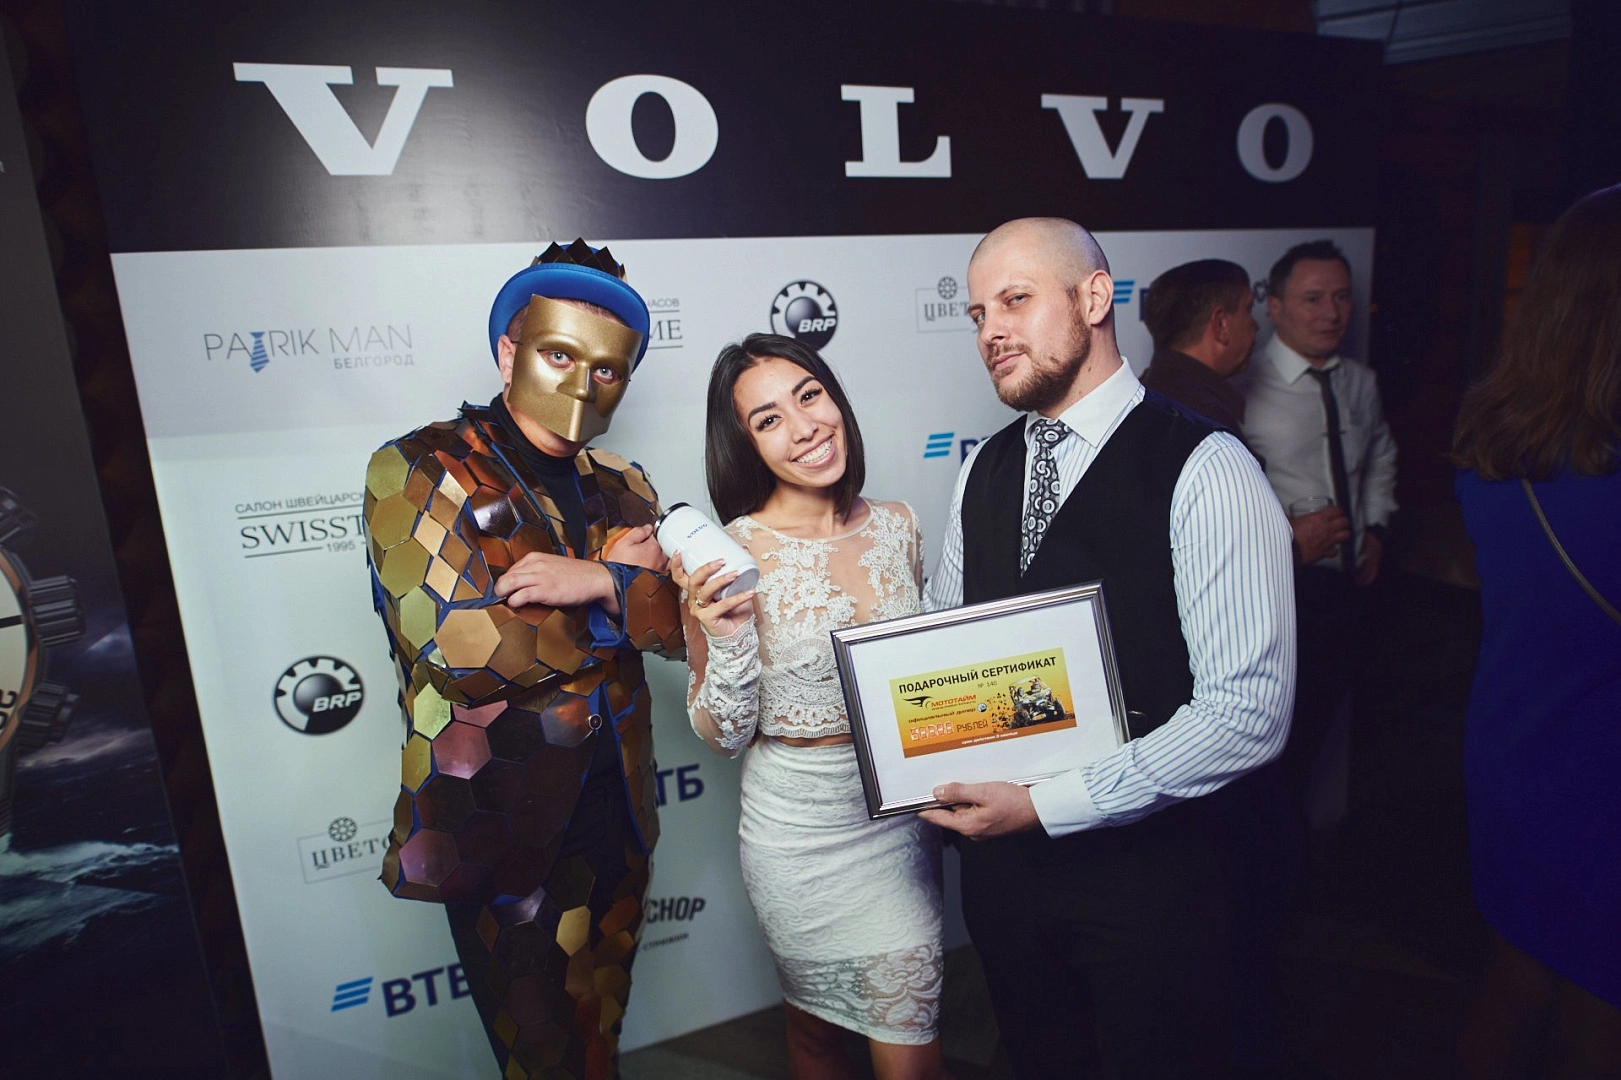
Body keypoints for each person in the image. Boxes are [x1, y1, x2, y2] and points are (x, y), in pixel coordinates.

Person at [920, 218, 1295, 1078]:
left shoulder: (1206, 466)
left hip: (1156, 888)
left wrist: (1048, 804)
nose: (990, 331)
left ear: (1093, 298)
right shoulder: (983, 469)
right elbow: (948, 645)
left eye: (1014, 300)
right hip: (1007, 885)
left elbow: (1246, 715)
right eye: (977, 314)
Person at [364, 240, 683, 1080]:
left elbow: (686, 629)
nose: (583, 382)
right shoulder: (419, 467)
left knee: (598, 1037)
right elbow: (461, 647)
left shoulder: (626, 484)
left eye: (606, 367)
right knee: (543, 1059)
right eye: (560, 354)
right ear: (510, 351)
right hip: (497, 814)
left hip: (617, 808)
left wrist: (597, 583)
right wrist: (620, 597)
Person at [675, 333, 946, 1080]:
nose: (803, 427)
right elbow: (723, 735)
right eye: (768, 420)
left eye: (809, 396)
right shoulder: (726, 554)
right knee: (815, 1033)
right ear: (745, 446)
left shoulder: (900, 524)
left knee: (910, 1050)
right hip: (794, 837)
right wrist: (726, 638)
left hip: (897, 826)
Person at [1451, 184, 1621, 1078]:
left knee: (1517, 977)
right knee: (1599, 1007)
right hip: (1600, 774)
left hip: (1516, 749)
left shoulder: (1497, 447)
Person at [1241, 239, 1397, 814]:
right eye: (1313, 299)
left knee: (1322, 737)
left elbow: (1380, 455)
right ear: (1275, 306)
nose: (1332, 313)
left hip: (1349, 588)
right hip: (1282, 592)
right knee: (1273, 757)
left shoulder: (1359, 381)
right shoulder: (1245, 388)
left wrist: (1375, 528)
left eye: (1342, 297)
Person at [1140, 257, 1259, 433]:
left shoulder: (1146, 390)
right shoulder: (1206, 419)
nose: (1256, 325)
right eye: (1248, 309)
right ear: (1221, 325)